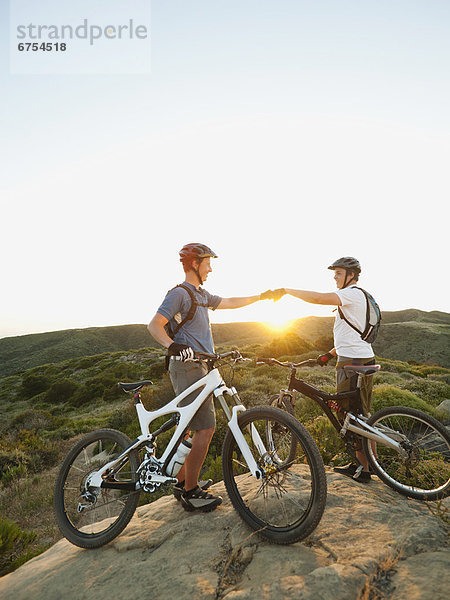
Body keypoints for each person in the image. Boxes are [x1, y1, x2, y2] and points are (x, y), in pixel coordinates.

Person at [148, 243, 273, 511]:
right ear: (194, 264)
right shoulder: (180, 293)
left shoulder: (201, 294)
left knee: (195, 427)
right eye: (207, 263)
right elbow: (154, 324)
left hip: (202, 366)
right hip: (187, 366)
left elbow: (229, 302)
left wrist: (261, 297)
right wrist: (173, 346)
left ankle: (183, 483)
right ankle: (191, 491)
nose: (210, 268)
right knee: (205, 428)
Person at [267, 257, 376, 483]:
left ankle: (364, 469)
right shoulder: (361, 296)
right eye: (334, 274)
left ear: (351, 275)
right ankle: (367, 464)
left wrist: (287, 290)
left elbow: (317, 298)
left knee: (348, 414)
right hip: (361, 356)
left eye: (338, 273)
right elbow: (352, 334)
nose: (334, 278)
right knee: (360, 414)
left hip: (351, 362)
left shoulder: (351, 293)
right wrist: (329, 353)